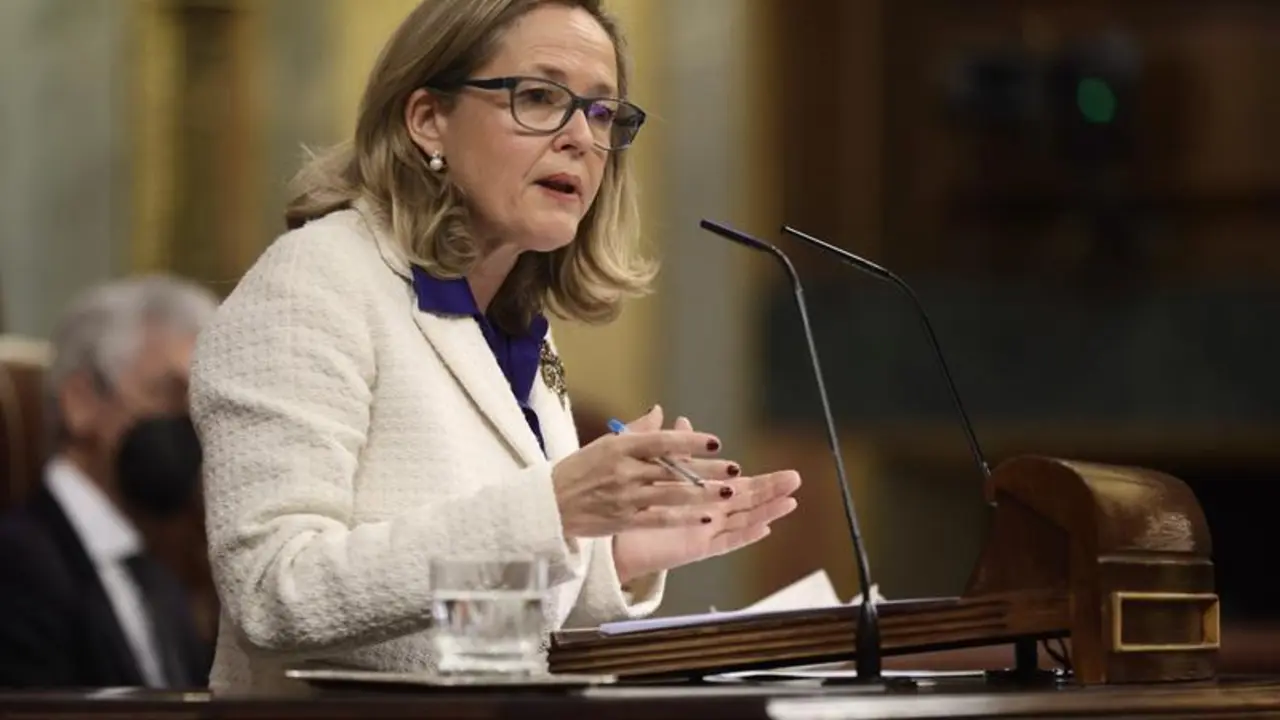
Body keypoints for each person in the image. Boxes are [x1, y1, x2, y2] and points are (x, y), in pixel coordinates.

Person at [189, 0, 802, 692]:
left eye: (602, 112)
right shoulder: (314, 283)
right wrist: (555, 508)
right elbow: (275, 591)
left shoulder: (509, 320)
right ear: (428, 119)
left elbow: (456, 643)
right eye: (540, 97)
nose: (581, 137)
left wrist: (611, 560)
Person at [0, 276, 217, 688]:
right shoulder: (16, 566)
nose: (190, 426)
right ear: (81, 402)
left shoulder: (161, 581)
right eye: (170, 393)